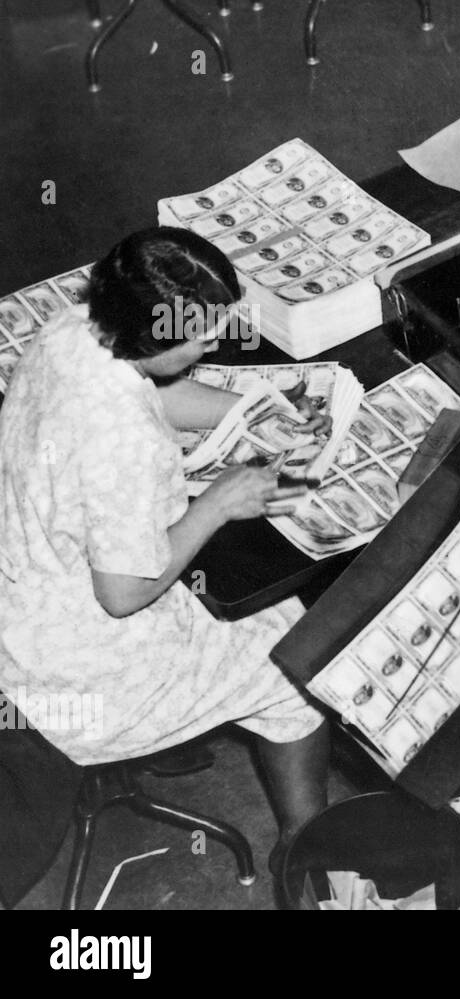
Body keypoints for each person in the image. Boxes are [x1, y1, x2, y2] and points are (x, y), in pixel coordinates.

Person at [0, 227, 330, 865]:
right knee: (296, 658)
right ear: (156, 334)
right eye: (202, 335)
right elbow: (123, 594)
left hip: (21, 598)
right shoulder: (122, 439)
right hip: (70, 674)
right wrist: (218, 505)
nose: (217, 342)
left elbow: (155, 387)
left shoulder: (77, 327)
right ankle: (308, 855)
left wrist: (259, 408)